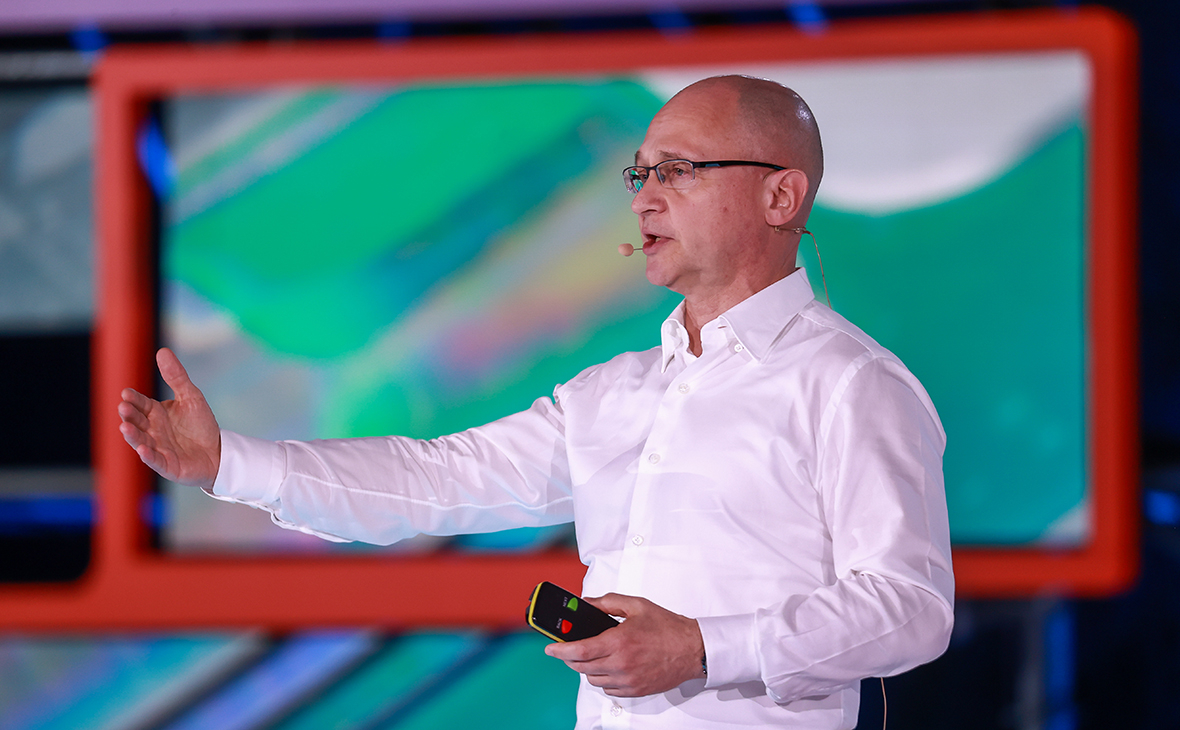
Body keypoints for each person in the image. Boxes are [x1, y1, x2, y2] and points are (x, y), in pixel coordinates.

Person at [118, 75, 954, 729]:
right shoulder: (616, 392)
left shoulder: (849, 384)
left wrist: (701, 648)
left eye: (678, 171)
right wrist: (230, 464)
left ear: (781, 196)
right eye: (640, 172)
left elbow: (910, 608)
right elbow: (434, 480)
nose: (644, 197)